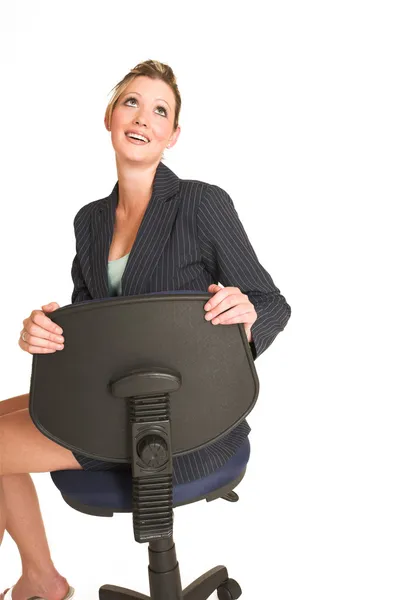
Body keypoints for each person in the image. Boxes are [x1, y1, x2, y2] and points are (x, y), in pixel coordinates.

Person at [0, 59, 291, 599]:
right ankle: (41, 578)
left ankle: (41, 581)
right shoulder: (89, 221)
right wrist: (44, 333)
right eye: (131, 102)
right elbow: (90, 330)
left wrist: (245, 321)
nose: (143, 118)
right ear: (110, 116)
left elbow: (272, 302)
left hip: (180, 418)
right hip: (111, 400)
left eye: (160, 110)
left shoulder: (202, 204)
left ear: (173, 134)